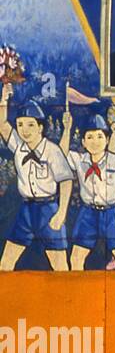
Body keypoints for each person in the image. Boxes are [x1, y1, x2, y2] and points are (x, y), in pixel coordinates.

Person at [0, 87, 73, 271]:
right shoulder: (18, 145)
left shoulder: (52, 150)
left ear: (40, 127)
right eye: (20, 124)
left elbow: (65, 181)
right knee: (6, 262)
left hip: (48, 209)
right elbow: (2, 124)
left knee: (60, 265)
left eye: (30, 124)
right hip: (26, 210)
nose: (25, 130)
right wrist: (3, 99)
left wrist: (61, 213)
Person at [59, 113, 115, 271]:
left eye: (99, 136)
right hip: (88, 213)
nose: (95, 142)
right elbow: (60, 155)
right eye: (89, 137)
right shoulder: (80, 160)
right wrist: (67, 129)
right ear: (83, 141)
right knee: (76, 257)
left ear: (107, 139)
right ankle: (79, 293)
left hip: (111, 213)